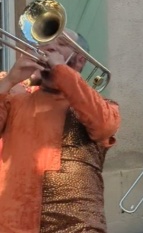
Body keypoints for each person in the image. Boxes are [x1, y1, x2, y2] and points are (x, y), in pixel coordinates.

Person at [0, 30, 121, 232]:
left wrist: (61, 70)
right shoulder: (14, 100)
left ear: (80, 60)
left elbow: (103, 127)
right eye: (46, 42)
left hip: (78, 224)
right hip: (14, 223)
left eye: (62, 43)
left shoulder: (100, 105)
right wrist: (9, 81)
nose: (50, 47)